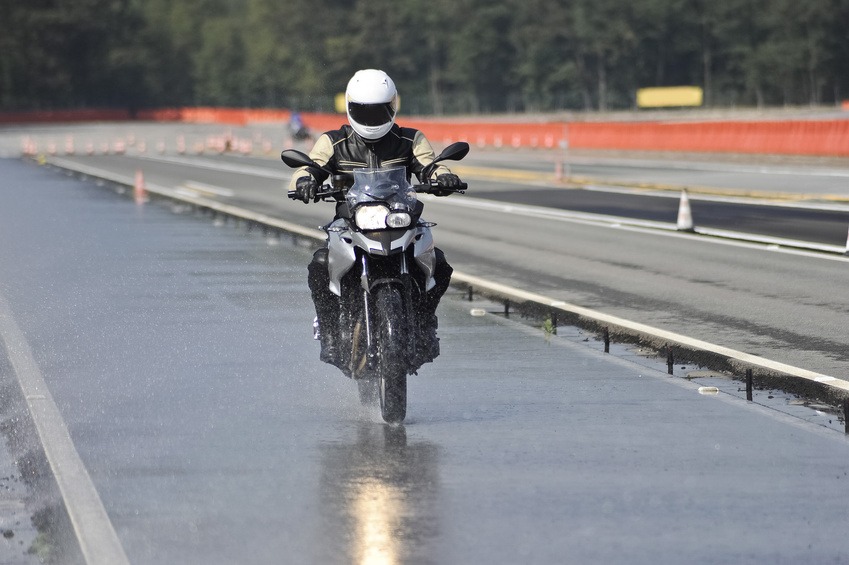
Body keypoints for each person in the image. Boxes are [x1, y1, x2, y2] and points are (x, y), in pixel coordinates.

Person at [287, 68, 463, 366]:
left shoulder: (410, 139)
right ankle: (328, 330)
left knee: (440, 265)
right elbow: (308, 168)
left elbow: (430, 165)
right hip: (352, 220)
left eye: (380, 111)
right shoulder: (333, 142)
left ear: (393, 106)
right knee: (319, 265)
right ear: (351, 108)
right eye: (365, 112)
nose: (372, 118)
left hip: (400, 216)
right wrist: (304, 183)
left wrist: (444, 177)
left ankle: (425, 322)